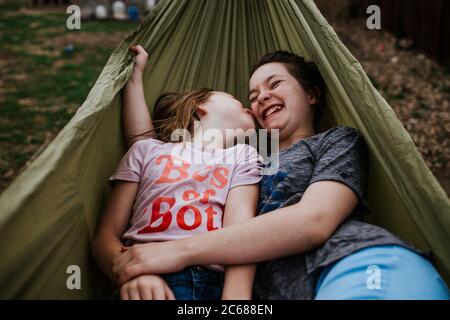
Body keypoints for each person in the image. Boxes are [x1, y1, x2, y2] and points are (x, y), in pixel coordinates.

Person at [113, 48, 450, 300]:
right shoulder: (237, 157)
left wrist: (177, 251)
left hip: (351, 263)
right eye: (252, 97)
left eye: (275, 84)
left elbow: (314, 220)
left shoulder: (336, 140)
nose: (261, 99)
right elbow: (153, 150)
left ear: (312, 94)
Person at [91, 45, 263, 300]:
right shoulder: (146, 151)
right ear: (200, 106)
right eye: (238, 101)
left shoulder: (243, 157)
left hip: (208, 281)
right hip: (142, 279)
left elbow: (240, 234)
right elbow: (105, 236)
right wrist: (132, 273)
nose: (249, 107)